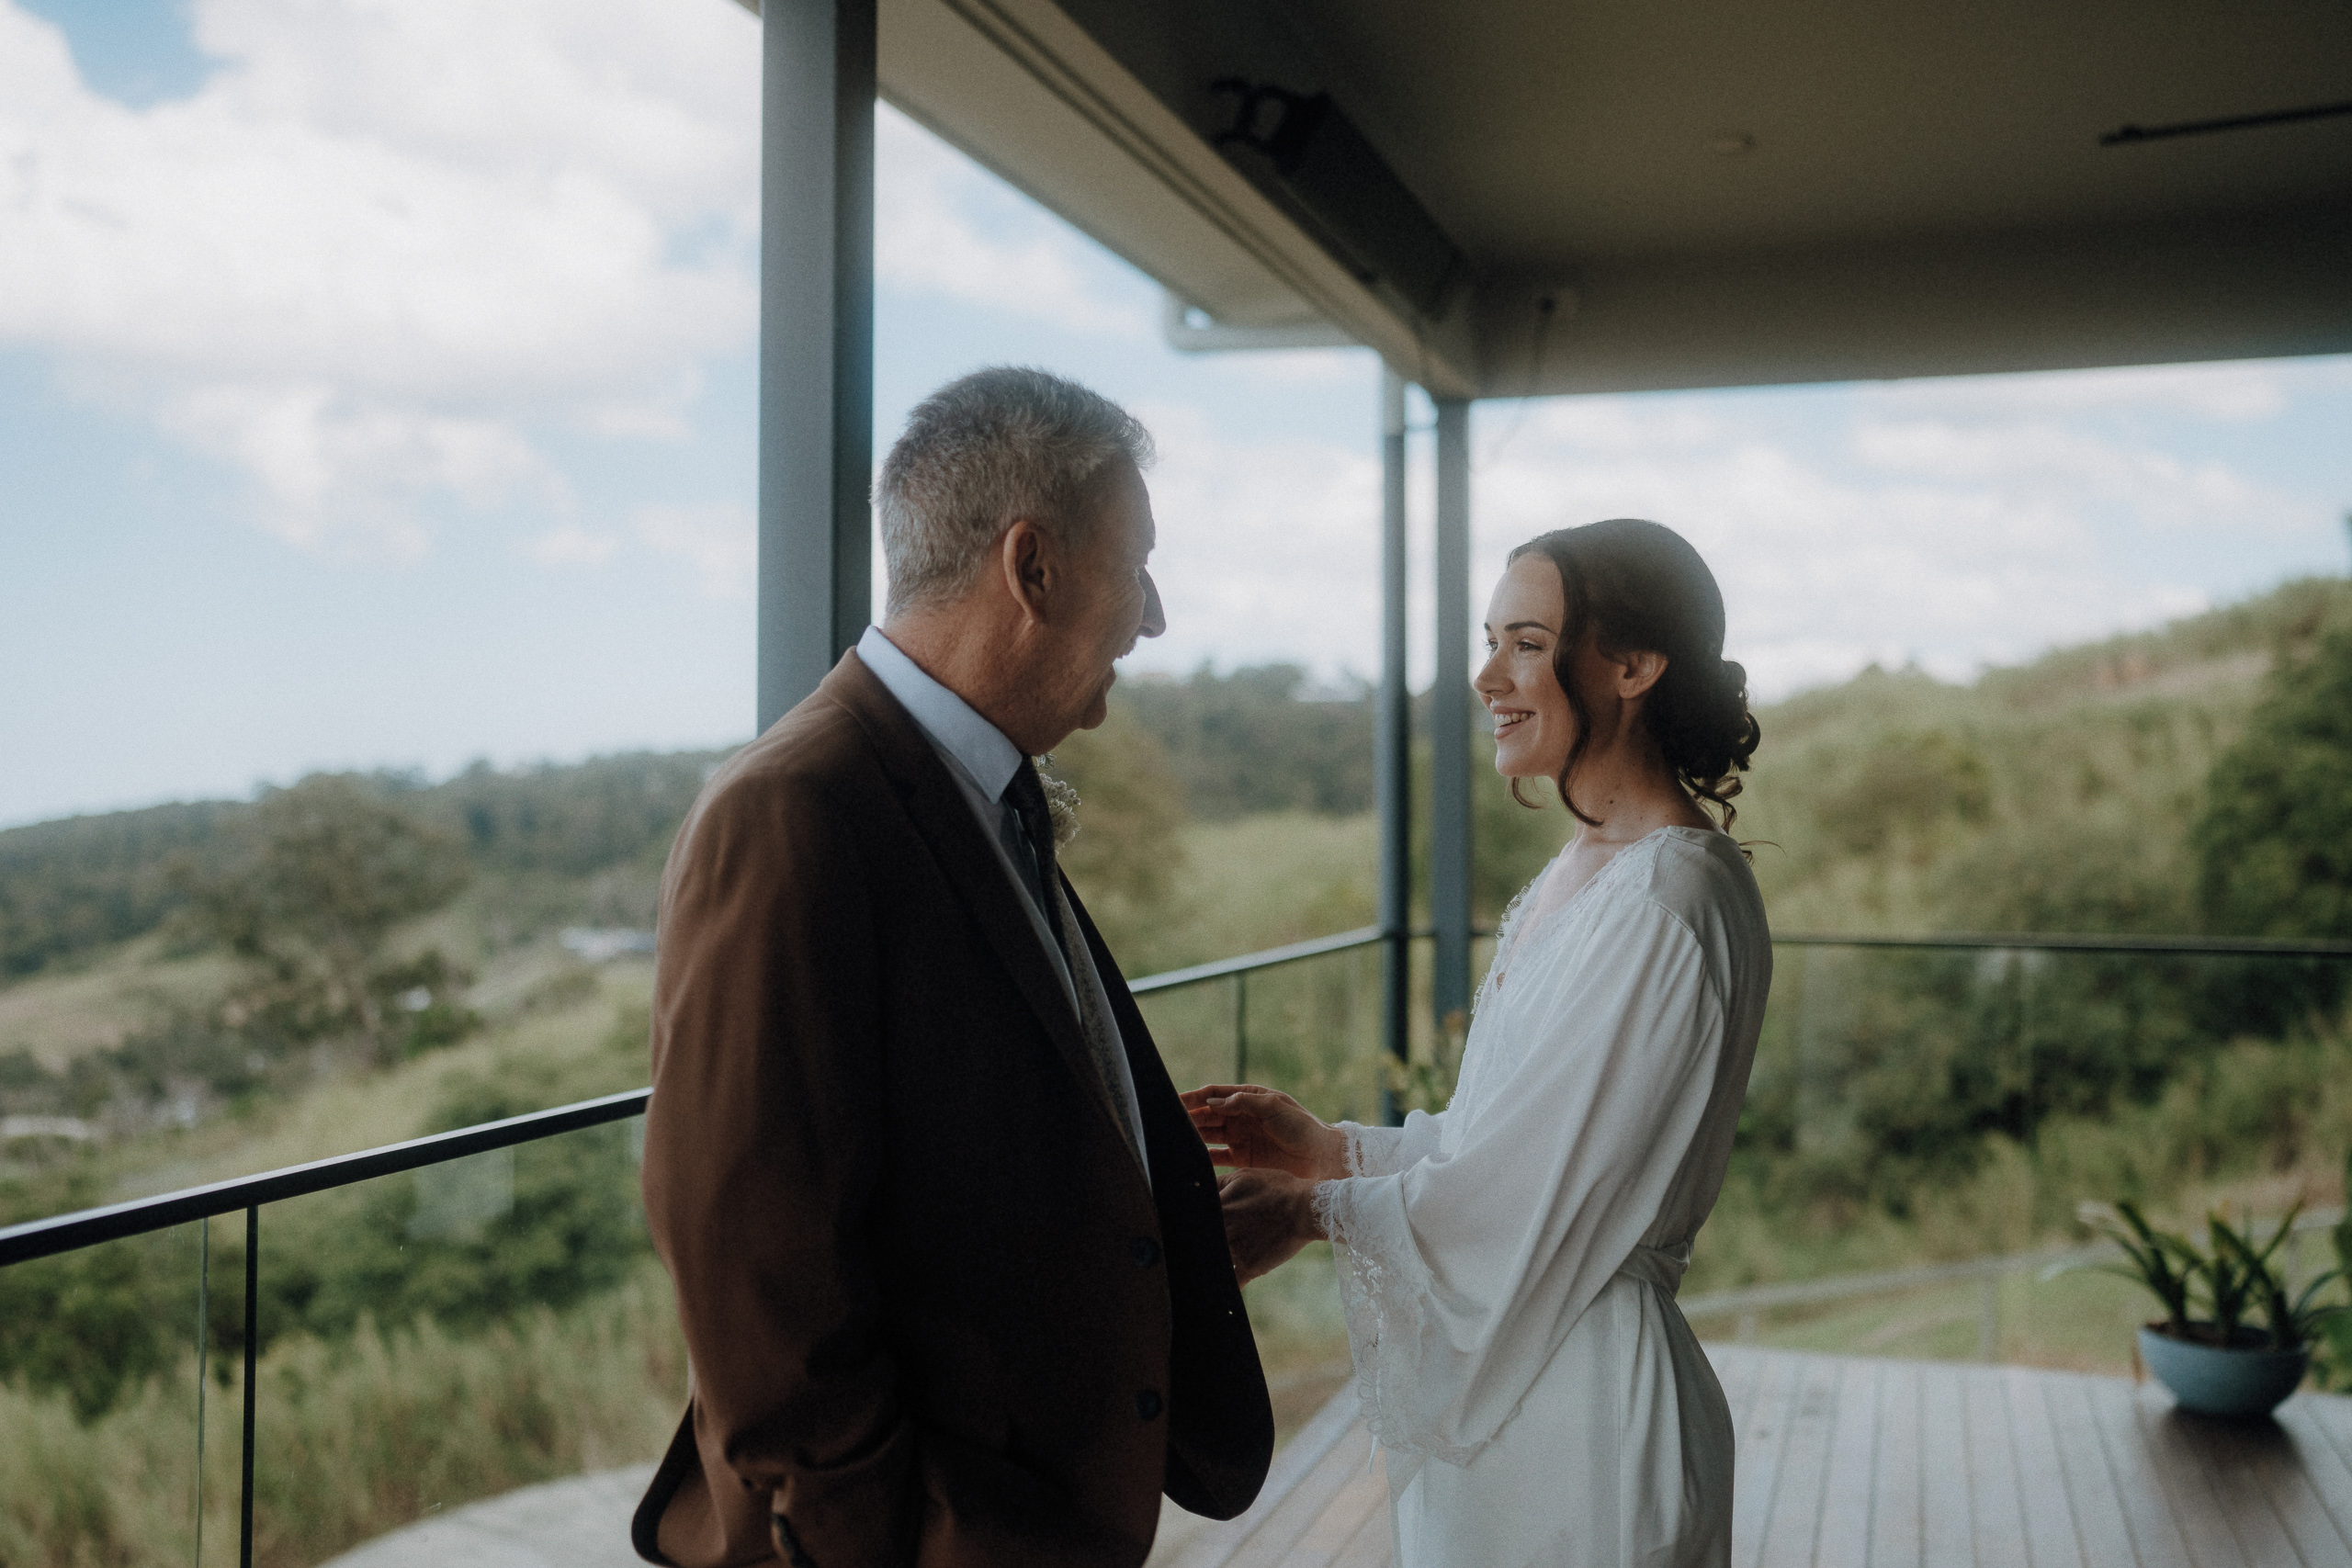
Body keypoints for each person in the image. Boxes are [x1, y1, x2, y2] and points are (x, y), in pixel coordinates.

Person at [634, 367, 1272, 1568]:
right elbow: (753, 1265)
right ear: (1032, 567)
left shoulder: (986, 791)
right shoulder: (790, 812)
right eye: (1136, 564)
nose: (1154, 614)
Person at [1189, 518, 1770, 1567]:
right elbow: (1509, 1142)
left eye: (1529, 643)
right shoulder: (1579, 871)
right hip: (1518, 1399)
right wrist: (1331, 1148)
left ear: (1633, 666)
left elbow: (1533, 1193)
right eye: (1491, 637)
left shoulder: (1670, 896)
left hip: (1588, 1412)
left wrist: (1313, 1209)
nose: (1487, 675)